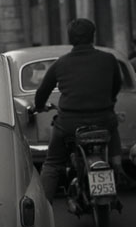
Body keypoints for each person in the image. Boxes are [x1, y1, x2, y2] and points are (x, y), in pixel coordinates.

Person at [33, 18, 127, 202]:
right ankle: (118, 165)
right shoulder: (109, 59)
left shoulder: (61, 64)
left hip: (69, 124)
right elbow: (116, 85)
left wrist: (39, 106)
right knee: (112, 125)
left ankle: (42, 209)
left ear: (70, 39)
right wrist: (110, 101)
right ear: (93, 36)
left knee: (53, 163)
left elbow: (42, 92)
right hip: (103, 119)